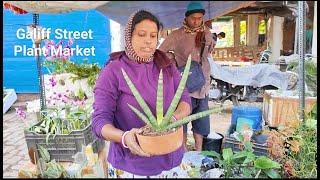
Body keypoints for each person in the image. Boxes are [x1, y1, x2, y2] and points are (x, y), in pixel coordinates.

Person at [91, 10, 192, 177]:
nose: (148, 41)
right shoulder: (113, 71)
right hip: (131, 166)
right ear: (129, 36)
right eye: (142, 34)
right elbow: (99, 122)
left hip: (171, 160)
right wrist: (125, 137)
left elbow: (185, 99)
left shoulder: (166, 64)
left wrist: (171, 120)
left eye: (153, 36)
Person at [159, 1, 214, 151]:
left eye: (199, 18)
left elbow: (208, 54)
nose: (196, 21)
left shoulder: (207, 34)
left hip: (202, 83)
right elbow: (160, 52)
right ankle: (182, 151)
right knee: (181, 120)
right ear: (187, 17)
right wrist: (172, 60)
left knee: (201, 119)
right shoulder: (177, 35)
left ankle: (198, 150)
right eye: (193, 18)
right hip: (183, 85)